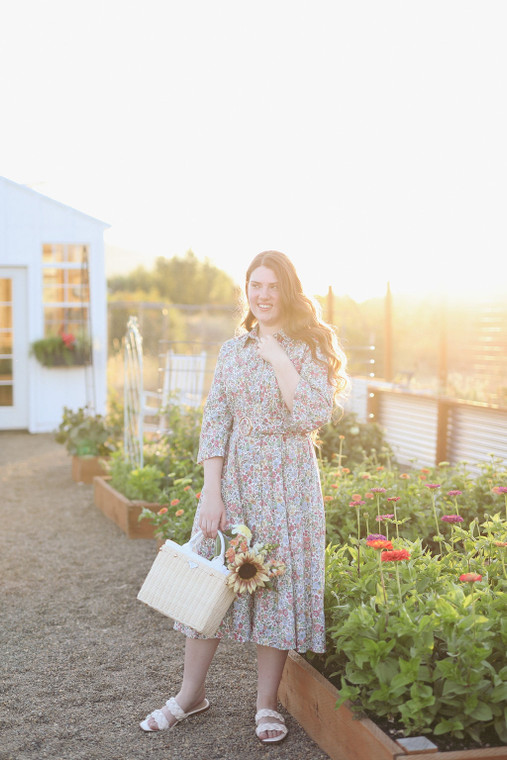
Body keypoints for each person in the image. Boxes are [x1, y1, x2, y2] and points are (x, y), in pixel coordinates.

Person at [140, 251, 348, 743]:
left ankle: (265, 705)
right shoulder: (232, 351)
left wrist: (278, 356)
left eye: (273, 286)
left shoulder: (309, 349)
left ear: (289, 291)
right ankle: (189, 696)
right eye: (256, 285)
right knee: (208, 582)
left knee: (274, 587)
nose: (263, 294)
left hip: (289, 484)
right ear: (247, 289)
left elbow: (311, 415)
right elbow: (215, 421)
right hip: (233, 479)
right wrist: (211, 493)